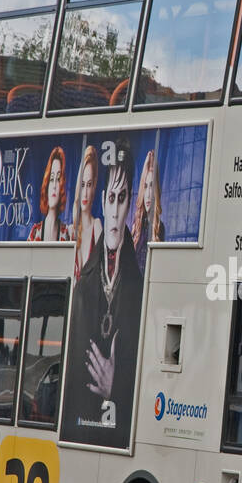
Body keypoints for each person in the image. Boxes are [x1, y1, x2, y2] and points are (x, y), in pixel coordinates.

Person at [60, 137, 142, 449]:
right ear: (104, 201)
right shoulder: (83, 287)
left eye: (124, 199)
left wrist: (116, 387)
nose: (116, 209)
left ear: (128, 203)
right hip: (79, 436)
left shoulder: (141, 288)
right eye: (112, 198)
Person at [71, 145, 103, 281]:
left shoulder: (97, 227)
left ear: (94, 186)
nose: (85, 193)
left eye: (89, 185)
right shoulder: (70, 230)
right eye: (82, 185)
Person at [131, 148, 164, 273]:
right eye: (145, 186)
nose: (148, 193)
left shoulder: (160, 228)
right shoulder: (136, 228)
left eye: (151, 186)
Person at [27, 146, 71, 242]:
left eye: (58, 179)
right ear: (46, 184)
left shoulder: (66, 233)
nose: (54, 185)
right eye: (51, 179)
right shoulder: (35, 231)